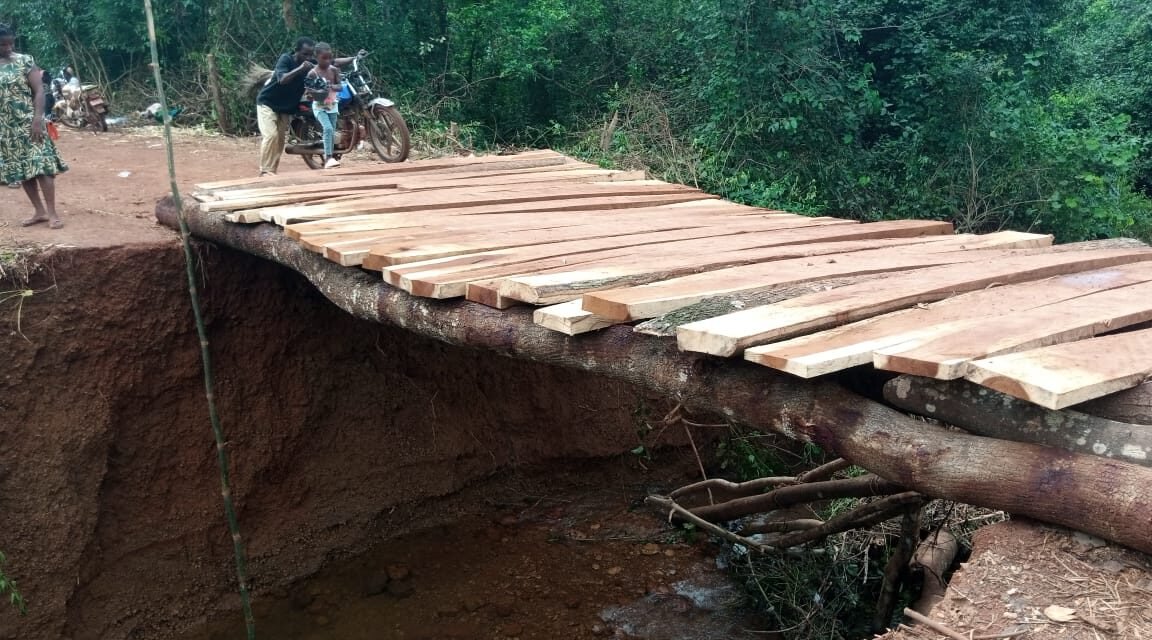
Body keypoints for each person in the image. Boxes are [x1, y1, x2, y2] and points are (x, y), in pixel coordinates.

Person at [255, 37, 364, 176]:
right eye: (304, 54)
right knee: (271, 136)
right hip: (267, 104)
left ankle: (271, 172)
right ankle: (265, 171)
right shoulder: (286, 59)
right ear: (297, 51)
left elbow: (333, 62)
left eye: (310, 54)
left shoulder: (312, 64)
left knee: (279, 141)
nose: (307, 57)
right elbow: (282, 79)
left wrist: (354, 57)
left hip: (284, 109)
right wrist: (301, 69)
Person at [0, 24, 68, 228]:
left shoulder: (25, 61)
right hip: (5, 128)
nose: (8, 47)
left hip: (29, 122)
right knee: (22, 169)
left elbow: (39, 90)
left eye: (11, 42)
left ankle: (52, 213)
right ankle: (39, 211)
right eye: (3, 44)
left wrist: (38, 119)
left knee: (42, 166)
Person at [305, 42, 342, 169]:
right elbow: (308, 91)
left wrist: (330, 86)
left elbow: (340, 86)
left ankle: (331, 156)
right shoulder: (312, 73)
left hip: (332, 105)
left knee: (331, 132)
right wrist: (315, 93)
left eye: (329, 58)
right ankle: (328, 158)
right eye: (324, 58)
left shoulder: (334, 70)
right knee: (328, 129)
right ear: (316, 57)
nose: (327, 61)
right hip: (319, 107)